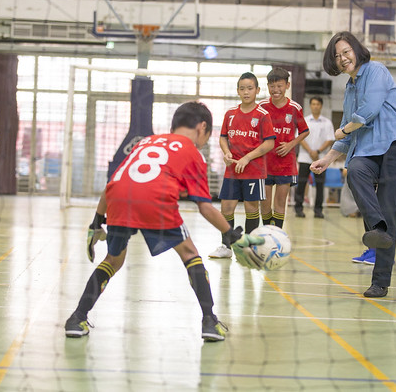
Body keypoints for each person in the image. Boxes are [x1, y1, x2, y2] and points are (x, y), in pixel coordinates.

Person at [64, 102, 255, 342]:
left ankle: (77, 318)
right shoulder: (192, 152)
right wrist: (232, 235)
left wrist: (96, 222)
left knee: (113, 261)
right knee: (189, 254)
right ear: (202, 127)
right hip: (155, 201)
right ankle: (209, 321)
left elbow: (112, 185)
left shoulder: (146, 142)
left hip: (119, 199)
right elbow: (205, 206)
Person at [311, 31, 396, 298]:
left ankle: (380, 282)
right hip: (368, 152)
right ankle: (376, 229)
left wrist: (343, 129)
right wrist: (327, 159)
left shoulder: (376, 71)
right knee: (355, 170)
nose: (342, 58)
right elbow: (350, 137)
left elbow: (369, 110)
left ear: (357, 50)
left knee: (389, 214)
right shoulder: (349, 89)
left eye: (346, 51)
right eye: (337, 56)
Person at [209, 73, 276, 259]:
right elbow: (223, 137)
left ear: (257, 90)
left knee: (251, 208)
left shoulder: (263, 115)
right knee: (226, 207)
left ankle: (249, 247)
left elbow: (269, 143)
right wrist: (226, 152)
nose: (246, 92)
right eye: (242, 88)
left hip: (254, 171)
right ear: (237, 91)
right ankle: (226, 246)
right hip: (232, 170)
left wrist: (247, 158)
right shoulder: (230, 114)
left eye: (250, 88)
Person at [258, 67, 309, 228]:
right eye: (272, 86)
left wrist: (290, 144)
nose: (276, 90)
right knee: (264, 204)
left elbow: (305, 131)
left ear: (287, 86)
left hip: (285, 164)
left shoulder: (294, 108)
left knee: (280, 203)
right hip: (265, 163)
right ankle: (266, 233)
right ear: (268, 87)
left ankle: (276, 236)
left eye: (279, 86)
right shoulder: (262, 107)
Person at [294, 96, 335, 219]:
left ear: (321, 106)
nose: (315, 106)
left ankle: (318, 211)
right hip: (305, 157)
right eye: (313, 104)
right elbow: (300, 137)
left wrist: (317, 151)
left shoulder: (327, 122)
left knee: (320, 186)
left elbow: (330, 139)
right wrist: (310, 151)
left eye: (317, 104)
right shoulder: (304, 120)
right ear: (310, 106)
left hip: (321, 159)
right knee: (301, 184)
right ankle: (298, 209)